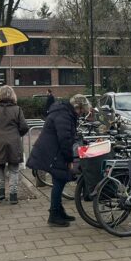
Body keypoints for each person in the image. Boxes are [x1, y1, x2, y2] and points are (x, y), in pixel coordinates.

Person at [27, 94, 92, 227]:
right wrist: (69, 159)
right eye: (81, 111)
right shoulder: (64, 115)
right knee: (59, 180)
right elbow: (65, 139)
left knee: (60, 180)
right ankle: (54, 215)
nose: (80, 114)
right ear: (77, 107)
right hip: (53, 152)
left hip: (51, 150)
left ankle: (59, 211)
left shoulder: (63, 112)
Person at [0, 86, 28, 204]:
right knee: (14, 169)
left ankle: (1, 193)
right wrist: (17, 134)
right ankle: (13, 195)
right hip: (14, 142)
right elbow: (24, 127)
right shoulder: (17, 109)